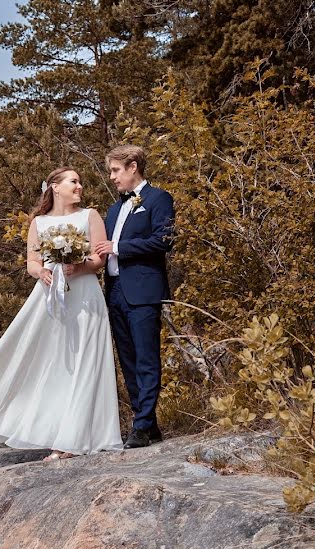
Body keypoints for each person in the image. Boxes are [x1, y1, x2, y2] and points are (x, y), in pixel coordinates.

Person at [0, 167, 123, 460]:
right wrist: (41, 271)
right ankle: (48, 427)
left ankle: (74, 440)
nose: (80, 186)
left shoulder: (89, 215)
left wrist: (77, 266)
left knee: (86, 359)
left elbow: (98, 259)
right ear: (55, 187)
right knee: (46, 360)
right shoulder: (38, 222)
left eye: (80, 182)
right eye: (73, 181)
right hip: (50, 296)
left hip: (85, 297)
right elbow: (32, 260)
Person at [93, 145, 175, 449]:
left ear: (133, 166)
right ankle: (149, 424)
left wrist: (120, 249)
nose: (112, 177)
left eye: (115, 170)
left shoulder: (159, 198)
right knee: (127, 361)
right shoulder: (115, 209)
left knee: (146, 358)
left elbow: (163, 240)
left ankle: (140, 427)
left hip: (143, 292)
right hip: (113, 292)